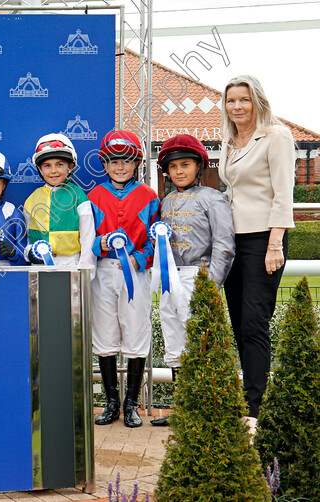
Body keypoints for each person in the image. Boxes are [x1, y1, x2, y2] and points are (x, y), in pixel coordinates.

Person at [218, 75, 296, 431]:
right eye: (231, 100)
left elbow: (283, 194)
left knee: (253, 323)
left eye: (244, 100)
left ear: (257, 102)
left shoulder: (276, 137)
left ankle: (255, 409)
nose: (237, 107)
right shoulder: (230, 141)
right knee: (238, 324)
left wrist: (275, 243)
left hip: (264, 240)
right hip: (232, 243)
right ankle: (246, 398)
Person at [150, 134, 235, 427]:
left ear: (199, 166)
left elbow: (224, 245)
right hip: (169, 278)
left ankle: (205, 407)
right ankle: (182, 408)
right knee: (174, 340)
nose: (179, 171)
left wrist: (211, 285)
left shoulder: (213, 198)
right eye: (173, 167)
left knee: (199, 342)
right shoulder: (165, 202)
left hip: (198, 277)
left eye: (186, 165)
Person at [89, 130, 160, 428]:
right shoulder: (92, 197)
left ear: (136, 164)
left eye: (127, 161)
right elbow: (85, 240)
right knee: (104, 335)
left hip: (135, 272)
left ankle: (131, 403)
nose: (120, 167)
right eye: (114, 161)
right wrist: (102, 244)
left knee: (136, 332)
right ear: (104, 164)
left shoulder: (149, 196)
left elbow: (157, 240)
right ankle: (111, 402)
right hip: (103, 271)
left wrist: (138, 258)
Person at [23, 133, 95, 275]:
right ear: (40, 169)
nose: (53, 171)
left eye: (60, 165)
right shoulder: (31, 199)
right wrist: (28, 253)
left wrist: (86, 274)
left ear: (71, 166)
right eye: (47, 166)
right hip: (39, 266)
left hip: (71, 265)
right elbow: (27, 237)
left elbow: (88, 239)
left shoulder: (79, 196)